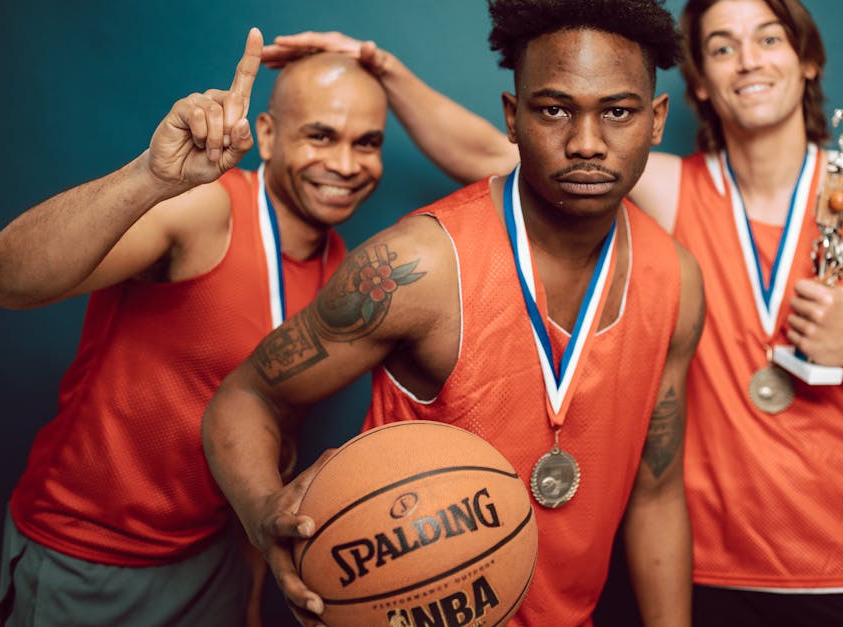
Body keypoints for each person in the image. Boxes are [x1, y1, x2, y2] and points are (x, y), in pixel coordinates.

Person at [265, 0, 843, 624]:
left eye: (769, 38)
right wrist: (379, 67)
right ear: (696, 81)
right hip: (705, 571)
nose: (747, 60)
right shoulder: (662, 187)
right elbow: (506, 149)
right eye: (722, 45)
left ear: (809, 60)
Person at [202, 1, 704, 626]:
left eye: (618, 112)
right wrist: (261, 511)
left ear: (656, 121)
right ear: (512, 117)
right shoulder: (418, 268)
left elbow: (656, 494)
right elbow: (244, 397)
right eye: (553, 109)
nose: (585, 143)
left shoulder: (675, 279)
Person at [0, 28, 389, 626]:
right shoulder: (207, 211)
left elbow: (273, 429)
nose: (347, 165)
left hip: (210, 559)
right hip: (89, 553)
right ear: (267, 135)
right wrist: (151, 179)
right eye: (321, 136)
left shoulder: (341, 269)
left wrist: (247, 580)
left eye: (367, 143)